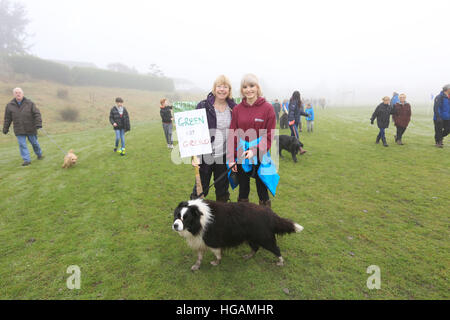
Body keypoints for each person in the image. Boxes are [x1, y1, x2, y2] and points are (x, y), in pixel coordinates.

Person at [227, 74, 278, 207]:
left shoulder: (268, 108)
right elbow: (233, 133)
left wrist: (255, 151)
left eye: (251, 86)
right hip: (241, 153)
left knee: (262, 188)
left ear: (257, 87)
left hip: (261, 153)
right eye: (245, 87)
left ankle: (266, 217)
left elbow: (269, 135)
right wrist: (232, 158)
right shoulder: (237, 109)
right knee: (243, 189)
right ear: (242, 90)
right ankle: (243, 217)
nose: (248, 89)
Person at [190, 75, 236, 202]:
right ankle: (193, 218)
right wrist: (195, 155)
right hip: (206, 155)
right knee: (201, 188)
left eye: (225, 86)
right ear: (214, 89)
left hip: (223, 155)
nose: (222, 89)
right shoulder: (203, 105)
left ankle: (221, 219)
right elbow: (194, 131)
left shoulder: (234, 108)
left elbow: (237, 132)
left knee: (222, 190)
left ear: (229, 89)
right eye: (219, 86)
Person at [3, 87, 43, 166]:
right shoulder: (9, 105)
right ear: (14, 94)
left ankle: (39, 154)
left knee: (34, 143)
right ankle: (27, 160)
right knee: (22, 144)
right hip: (19, 129)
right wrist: (5, 128)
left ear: (22, 94)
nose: (18, 94)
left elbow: (37, 114)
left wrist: (38, 123)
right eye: (16, 93)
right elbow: (7, 118)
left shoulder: (30, 103)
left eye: (19, 92)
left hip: (31, 128)